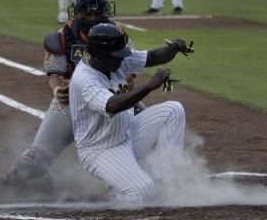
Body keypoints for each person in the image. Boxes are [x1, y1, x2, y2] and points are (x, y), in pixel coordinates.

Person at [1, 0, 135, 187]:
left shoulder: (118, 35)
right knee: (34, 161)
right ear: (77, 12)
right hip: (71, 103)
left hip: (112, 100)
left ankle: (141, 181)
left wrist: (120, 85)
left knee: (148, 134)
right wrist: (57, 91)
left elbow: (130, 75)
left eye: (98, 13)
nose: (92, 18)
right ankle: (14, 181)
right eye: (87, 13)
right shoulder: (64, 36)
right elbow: (54, 75)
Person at [69, 23, 190, 202]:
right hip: (100, 149)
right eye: (117, 56)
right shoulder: (85, 79)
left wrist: (173, 48)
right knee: (143, 191)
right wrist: (149, 86)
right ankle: (109, 199)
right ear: (99, 55)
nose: (121, 60)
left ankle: (166, 184)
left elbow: (152, 57)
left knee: (173, 110)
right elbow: (112, 105)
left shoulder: (112, 60)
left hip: (126, 133)